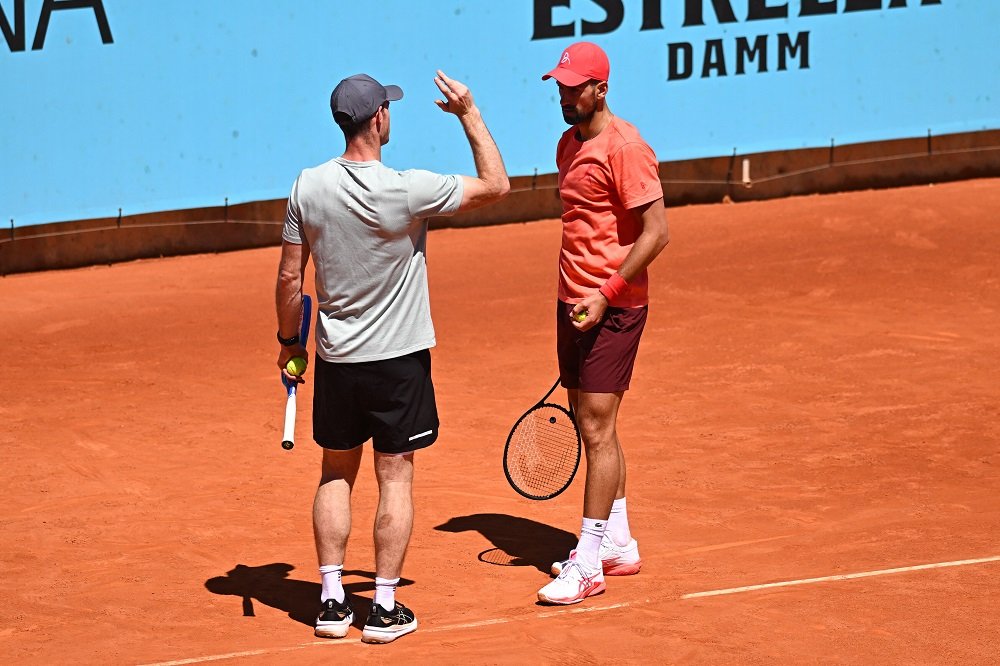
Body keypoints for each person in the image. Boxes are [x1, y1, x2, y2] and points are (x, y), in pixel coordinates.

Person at [274, 71, 509, 642]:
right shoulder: (409, 188)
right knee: (395, 478)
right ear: (379, 119)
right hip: (399, 362)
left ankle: (331, 601)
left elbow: (289, 277)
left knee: (335, 472)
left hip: (336, 359)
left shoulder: (307, 186)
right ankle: (383, 607)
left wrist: (289, 343)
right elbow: (496, 184)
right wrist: (468, 113)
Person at [536, 42, 669, 605]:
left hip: (613, 306)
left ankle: (588, 560)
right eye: (560, 87)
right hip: (574, 302)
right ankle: (618, 541)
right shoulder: (569, 144)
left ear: (601, 89)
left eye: (574, 87)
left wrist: (605, 293)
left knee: (595, 427)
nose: (565, 96)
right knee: (597, 424)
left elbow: (656, 232)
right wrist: (579, 295)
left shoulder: (627, 148)